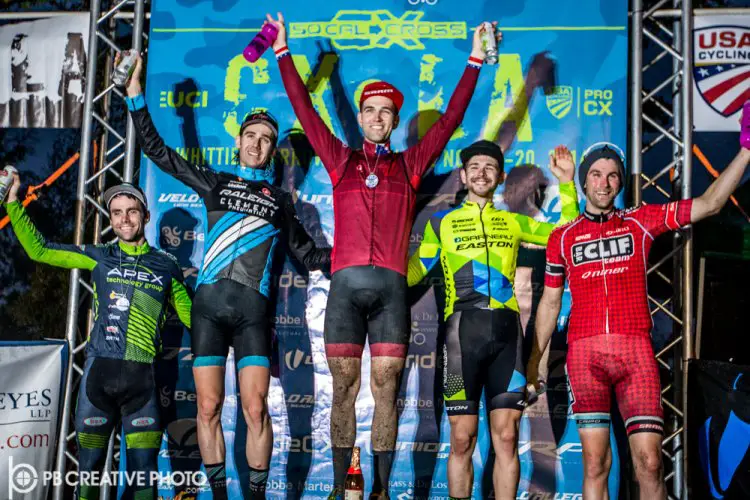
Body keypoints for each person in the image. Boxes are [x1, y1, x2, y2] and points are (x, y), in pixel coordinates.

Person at [264, 12, 495, 498]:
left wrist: (475, 60)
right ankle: (342, 484)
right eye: (369, 110)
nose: (375, 118)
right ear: (363, 116)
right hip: (344, 291)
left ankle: (382, 490)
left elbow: (451, 120)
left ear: (393, 120)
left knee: (387, 389)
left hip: (391, 292)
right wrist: (283, 51)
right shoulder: (341, 161)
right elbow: (307, 111)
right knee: (344, 390)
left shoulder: (410, 165)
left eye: (384, 113)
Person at [121, 54, 330, 499]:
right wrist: (136, 96)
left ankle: (254, 496)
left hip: (253, 315)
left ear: (275, 150)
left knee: (256, 410)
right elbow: (160, 152)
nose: (257, 144)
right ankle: (218, 496)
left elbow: (311, 256)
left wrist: (361, 255)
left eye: (266, 139)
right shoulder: (215, 182)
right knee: (209, 408)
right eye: (251, 136)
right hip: (208, 312)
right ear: (239, 141)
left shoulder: (282, 203)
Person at [527, 103, 750, 500]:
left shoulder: (640, 220)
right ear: (584, 180)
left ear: (619, 183)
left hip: (636, 354)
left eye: (613, 175)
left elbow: (710, 203)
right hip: (585, 355)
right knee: (596, 463)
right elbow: (548, 303)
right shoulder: (562, 237)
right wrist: (536, 360)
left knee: (649, 463)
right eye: (596, 173)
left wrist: (747, 149)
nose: (605, 181)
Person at [407, 142, 579, 499]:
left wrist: (567, 184)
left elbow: (565, 234)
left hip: (506, 337)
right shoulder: (443, 223)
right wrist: (372, 263)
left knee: (506, 436)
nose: (482, 172)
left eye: (490, 167)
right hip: (460, 337)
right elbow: (415, 271)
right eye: (475, 166)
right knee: (461, 437)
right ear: (463, 175)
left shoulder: (513, 222)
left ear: (500, 177)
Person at [4, 176, 191, 500]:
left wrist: (237, 335)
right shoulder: (98, 256)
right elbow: (40, 250)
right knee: (88, 474)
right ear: (110, 219)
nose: (124, 219)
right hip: (97, 381)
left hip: (142, 383)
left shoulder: (166, 266)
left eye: (132, 211)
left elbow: (193, 318)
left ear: (145, 216)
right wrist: (12, 203)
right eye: (117, 212)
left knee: (145, 476)